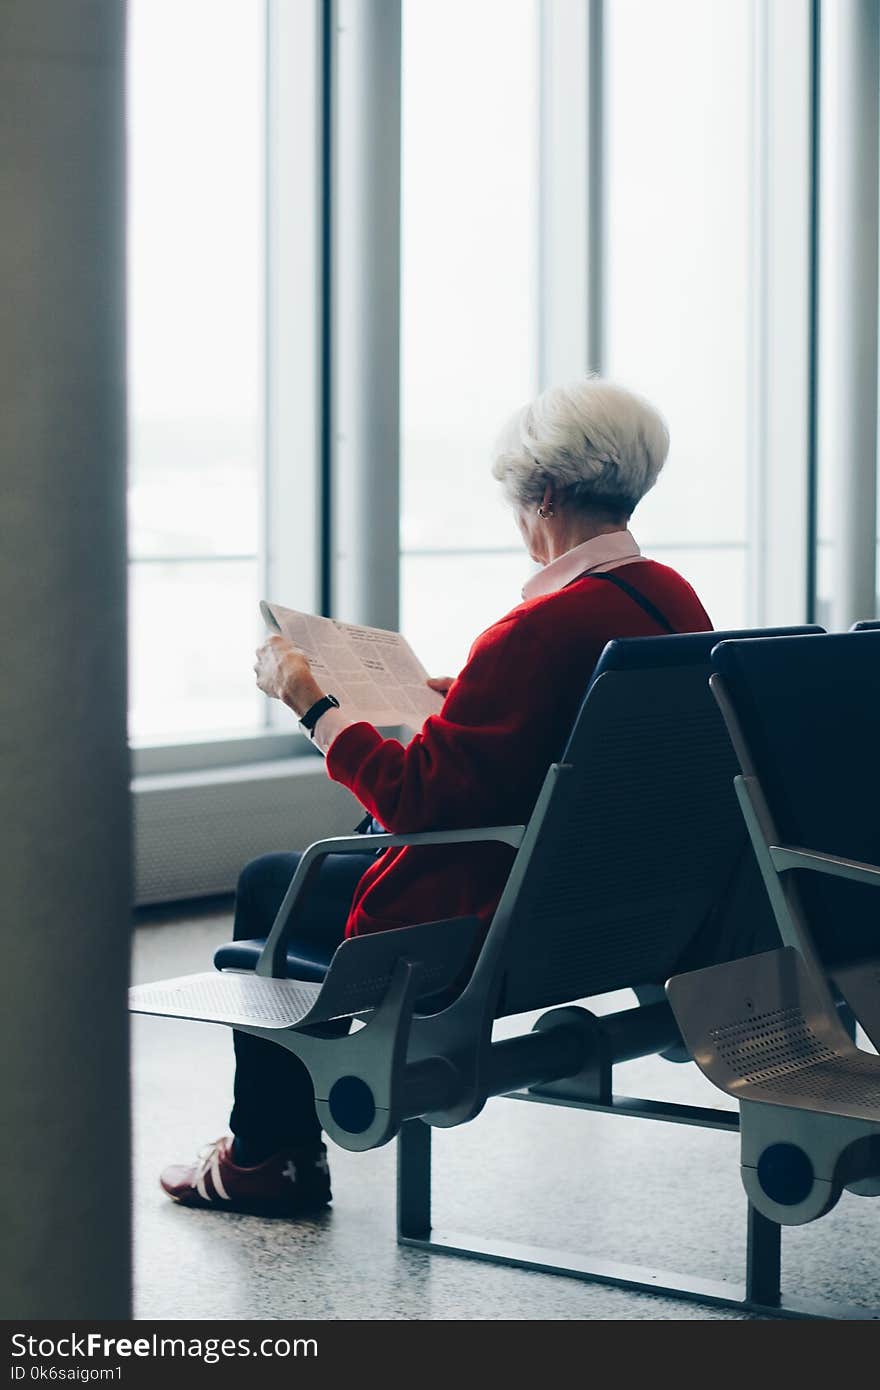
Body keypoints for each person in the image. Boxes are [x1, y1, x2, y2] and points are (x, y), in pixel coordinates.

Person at [160, 377, 713, 1215]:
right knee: (315, 866)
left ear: (549, 496)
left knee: (275, 885)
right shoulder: (671, 601)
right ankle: (266, 1149)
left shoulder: (534, 631)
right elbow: (572, 732)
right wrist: (467, 701)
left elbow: (418, 802)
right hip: (614, 913)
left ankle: (266, 1156)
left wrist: (313, 704)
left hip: (494, 921)